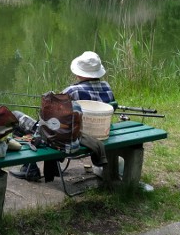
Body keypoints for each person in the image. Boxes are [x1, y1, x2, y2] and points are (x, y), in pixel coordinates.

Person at [10, 51, 114, 182]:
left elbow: (54, 120)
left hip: (72, 138)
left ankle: (29, 169)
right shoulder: (107, 87)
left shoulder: (72, 91)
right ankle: (35, 168)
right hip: (99, 134)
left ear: (79, 73)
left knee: (15, 116)